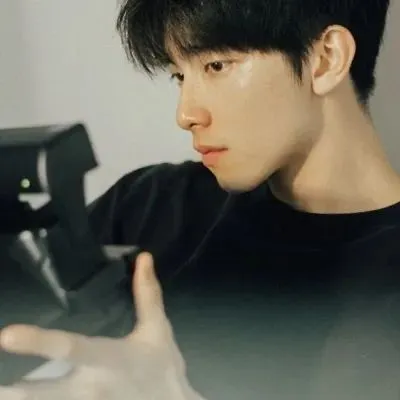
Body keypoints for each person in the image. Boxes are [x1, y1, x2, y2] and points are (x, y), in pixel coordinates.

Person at [1, 0, 399, 398]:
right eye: (179, 75)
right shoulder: (151, 205)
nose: (186, 114)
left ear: (326, 59)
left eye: (216, 66)